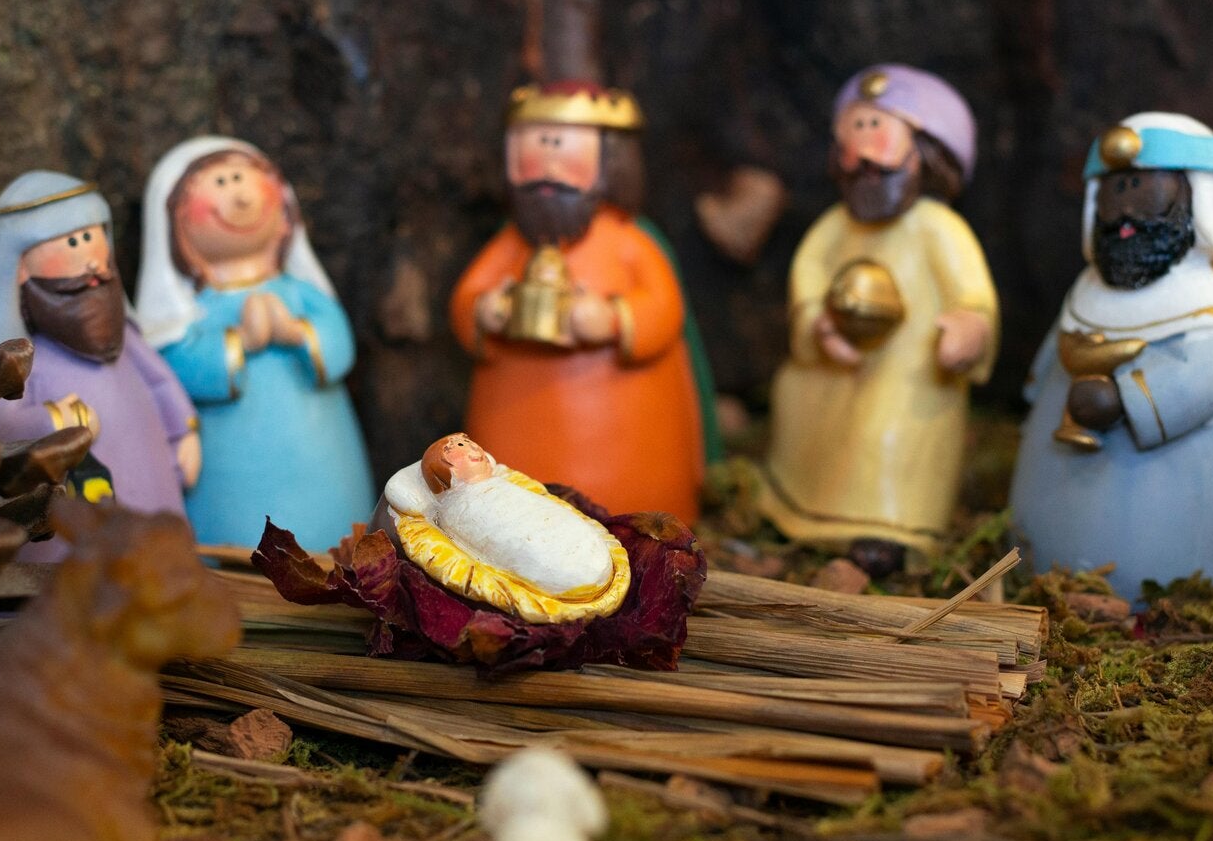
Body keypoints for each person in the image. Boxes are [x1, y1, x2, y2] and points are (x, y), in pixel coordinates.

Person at [1007, 111, 1213, 599]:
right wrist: (1041, 391)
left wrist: (1125, 400)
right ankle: (1038, 570)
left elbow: (1200, 381)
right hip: (1059, 467)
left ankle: (1163, 599)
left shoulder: (1198, 304)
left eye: (1145, 189)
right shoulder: (1086, 292)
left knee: (1158, 556)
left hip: (1167, 487)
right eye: (1115, 189)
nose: (1125, 210)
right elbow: (1055, 354)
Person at [759, 65, 999, 554]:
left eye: (878, 128)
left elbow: (972, 293)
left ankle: (888, 530)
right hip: (836, 362)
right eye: (857, 129)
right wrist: (819, 326)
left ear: (925, 154)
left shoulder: (937, 228)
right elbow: (809, 274)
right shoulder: (835, 226)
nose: (866, 155)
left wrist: (970, 327)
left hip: (908, 370)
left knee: (887, 433)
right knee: (800, 403)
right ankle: (795, 508)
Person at [449, 81, 714, 523]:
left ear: (611, 160)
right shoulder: (510, 244)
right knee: (514, 516)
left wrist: (615, 319)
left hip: (622, 438)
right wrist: (482, 311)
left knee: (627, 519)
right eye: (533, 145)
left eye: (561, 145)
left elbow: (665, 311)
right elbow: (465, 300)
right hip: (514, 427)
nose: (547, 164)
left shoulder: (629, 243)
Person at [135, 137, 374, 550]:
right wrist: (239, 341)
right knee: (244, 539)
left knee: (334, 531)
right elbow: (171, 368)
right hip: (230, 473)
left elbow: (339, 345)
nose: (240, 197)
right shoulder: (188, 315)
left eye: (242, 180)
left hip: (321, 451)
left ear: (284, 213)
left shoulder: (300, 293)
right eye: (221, 183)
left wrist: (296, 332)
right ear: (176, 222)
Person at [0, 170, 197, 556]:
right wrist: (52, 421)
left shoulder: (126, 339)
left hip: (151, 479)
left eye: (93, 237)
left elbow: (160, 380)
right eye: (73, 242)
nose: (91, 260)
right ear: (21, 267)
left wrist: (183, 430)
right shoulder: (20, 362)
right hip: (71, 511)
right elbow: (0, 426)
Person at [381, 433, 630, 624]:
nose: (473, 448)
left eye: (469, 442)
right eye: (459, 447)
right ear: (443, 470)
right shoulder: (451, 510)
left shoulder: (506, 483)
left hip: (576, 545)